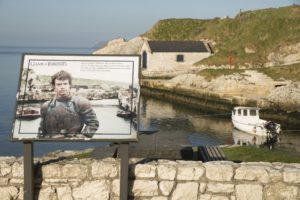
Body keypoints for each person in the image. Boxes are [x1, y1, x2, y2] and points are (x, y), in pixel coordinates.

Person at [38, 70, 99, 138]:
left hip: (74, 145)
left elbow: (93, 123)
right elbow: (41, 130)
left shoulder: (81, 103)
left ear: (70, 85)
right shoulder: (46, 106)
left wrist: (82, 137)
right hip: (51, 143)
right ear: (54, 86)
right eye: (59, 84)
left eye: (65, 84)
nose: (62, 87)